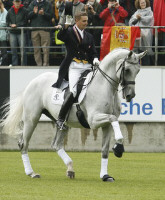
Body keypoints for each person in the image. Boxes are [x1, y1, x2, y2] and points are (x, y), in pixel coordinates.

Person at [53, 12, 100, 130]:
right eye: (84, 21)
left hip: (87, 67)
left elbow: (93, 52)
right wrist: (64, 27)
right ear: (77, 21)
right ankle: (60, 119)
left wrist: (95, 59)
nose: (86, 23)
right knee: (73, 91)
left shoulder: (89, 36)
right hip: (74, 66)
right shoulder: (69, 32)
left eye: (87, 21)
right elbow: (60, 37)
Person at [27, 0, 53, 66]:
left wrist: (44, 13)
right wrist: (33, 12)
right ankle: (38, 65)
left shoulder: (48, 4)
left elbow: (51, 16)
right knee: (36, 49)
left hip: (45, 29)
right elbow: (27, 16)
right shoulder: (32, 3)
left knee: (46, 49)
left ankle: (45, 65)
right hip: (34, 29)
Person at [129, 0, 154, 65]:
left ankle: (147, 67)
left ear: (146, 3)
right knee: (137, 53)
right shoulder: (137, 12)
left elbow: (148, 20)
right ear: (139, 4)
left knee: (145, 53)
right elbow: (130, 22)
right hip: (137, 35)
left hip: (145, 35)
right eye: (141, 3)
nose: (143, 4)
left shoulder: (149, 11)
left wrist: (141, 18)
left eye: (144, 2)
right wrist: (136, 19)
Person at [6, 0, 27, 66]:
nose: (17, 3)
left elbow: (26, 21)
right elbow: (7, 21)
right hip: (12, 32)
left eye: (18, 2)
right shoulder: (10, 11)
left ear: (20, 2)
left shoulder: (24, 10)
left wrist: (17, 25)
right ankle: (14, 65)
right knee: (13, 50)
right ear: (13, 2)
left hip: (22, 32)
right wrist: (10, 25)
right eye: (16, 2)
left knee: (23, 50)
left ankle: (24, 65)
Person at [0, 0, 8, 66]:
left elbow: (5, 23)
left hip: (2, 35)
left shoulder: (5, 11)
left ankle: (4, 65)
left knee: (4, 52)